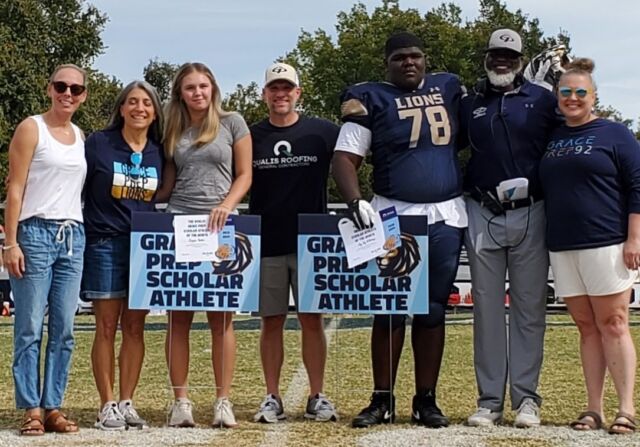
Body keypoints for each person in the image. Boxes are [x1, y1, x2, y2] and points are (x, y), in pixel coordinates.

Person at [332, 31, 466, 428]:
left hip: (445, 214)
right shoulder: (370, 98)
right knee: (388, 311)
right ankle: (382, 398)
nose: (409, 63)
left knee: (432, 309)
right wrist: (355, 199)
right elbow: (344, 157)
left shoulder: (449, 87)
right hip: (394, 214)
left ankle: (426, 399)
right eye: (400, 58)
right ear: (387, 63)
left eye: (416, 56)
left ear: (426, 59)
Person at [460, 29, 560, 428]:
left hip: (531, 210)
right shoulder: (470, 103)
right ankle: (489, 401)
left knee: (529, 308)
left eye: (509, 55)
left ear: (520, 60)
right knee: (485, 310)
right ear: (487, 57)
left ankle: (526, 399)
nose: (501, 61)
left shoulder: (543, 100)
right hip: (481, 208)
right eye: (495, 55)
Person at [539, 58, 638, 435]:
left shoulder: (615, 134)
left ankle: (626, 408)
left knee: (614, 324)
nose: (573, 98)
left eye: (581, 92)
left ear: (594, 97)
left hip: (608, 243)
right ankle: (593, 408)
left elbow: (638, 186)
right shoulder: (553, 137)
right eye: (566, 92)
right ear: (557, 97)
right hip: (564, 245)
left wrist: (635, 238)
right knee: (586, 327)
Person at [162, 62, 252, 428]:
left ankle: (222, 400)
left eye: (203, 86)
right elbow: (168, 181)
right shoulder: (172, 128)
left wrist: (227, 206)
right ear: (180, 93)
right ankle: (181, 401)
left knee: (222, 320)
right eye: (189, 88)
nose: (197, 93)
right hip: (180, 223)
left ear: (213, 88)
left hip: (221, 229)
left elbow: (245, 174)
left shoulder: (233, 122)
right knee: (177, 319)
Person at [250, 62, 339, 423]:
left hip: (310, 243)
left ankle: (317, 395)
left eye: (287, 88)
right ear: (265, 94)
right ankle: (272, 395)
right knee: (271, 322)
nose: (280, 94)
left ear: (298, 93)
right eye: (274, 88)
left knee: (311, 320)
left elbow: (356, 152)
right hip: (267, 240)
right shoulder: (250, 135)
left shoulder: (323, 132)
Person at [4, 64, 88, 435]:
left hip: (73, 235)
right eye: (61, 86)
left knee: (65, 327)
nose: (67, 94)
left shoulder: (80, 135)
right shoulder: (30, 128)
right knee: (30, 326)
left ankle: (53, 404)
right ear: (49, 88)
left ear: (83, 95)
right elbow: (15, 188)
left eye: (75, 89)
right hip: (34, 234)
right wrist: (11, 241)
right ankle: (31, 407)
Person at [81, 81, 164, 430]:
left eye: (147, 102)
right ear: (121, 108)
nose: (139, 108)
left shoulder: (160, 152)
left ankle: (128, 401)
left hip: (143, 247)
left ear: (155, 111)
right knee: (105, 327)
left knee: (134, 326)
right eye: (132, 102)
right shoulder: (99, 143)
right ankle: (107, 404)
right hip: (104, 243)